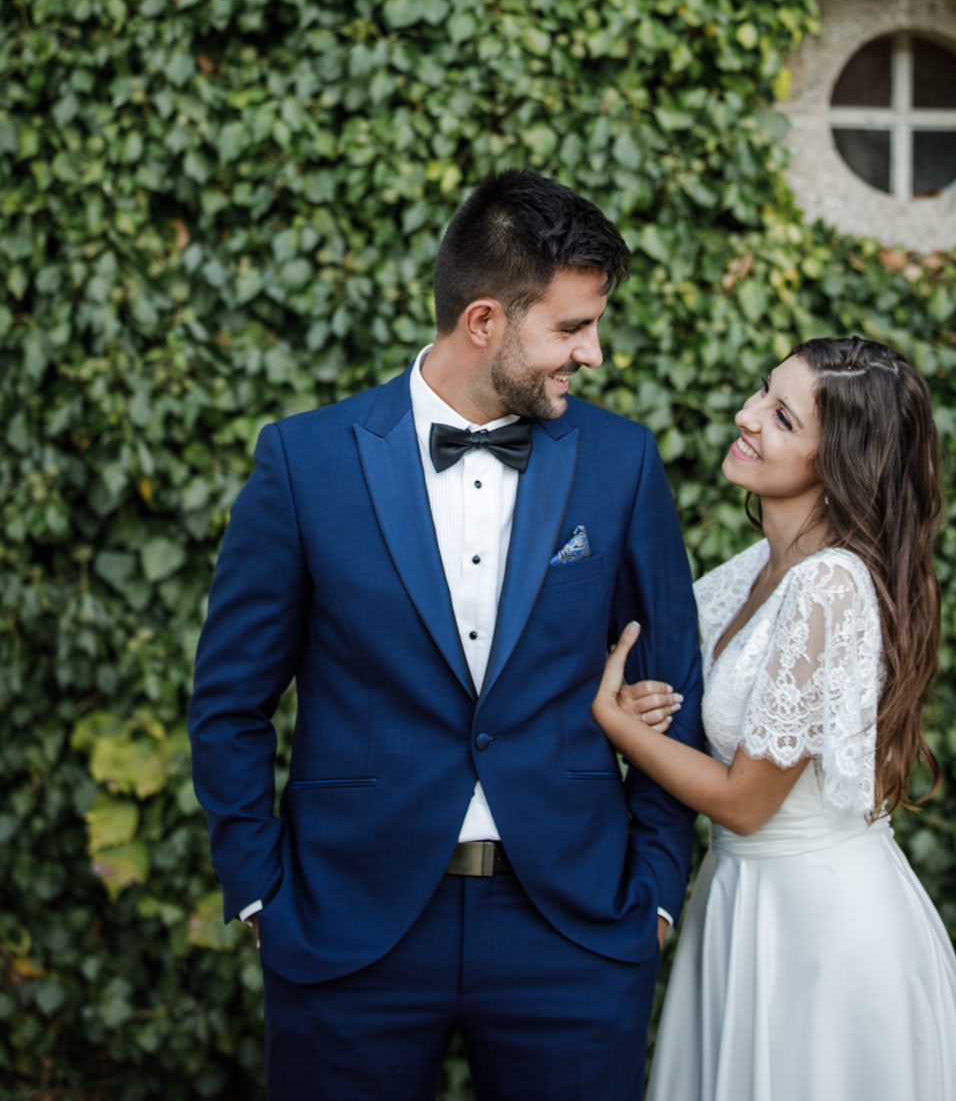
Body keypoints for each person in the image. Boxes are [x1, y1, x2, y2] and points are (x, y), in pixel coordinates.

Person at [188, 170, 703, 1101]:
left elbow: (677, 684)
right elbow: (229, 701)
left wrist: (655, 892)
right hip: (348, 925)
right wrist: (261, 892)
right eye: (572, 327)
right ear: (483, 322)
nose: (592, 355)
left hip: (575, 927)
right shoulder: (304, 461)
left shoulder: (620, 462)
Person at [595, 336, 956, 1101]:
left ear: (839, 462)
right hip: (742, 903)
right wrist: (648, 709)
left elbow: (744, 800)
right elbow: (701, 718)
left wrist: (615, 723)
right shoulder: (750, 571)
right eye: (760, 394)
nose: (746, 418)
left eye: (781, 417)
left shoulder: (830, 586)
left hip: (820, 929)